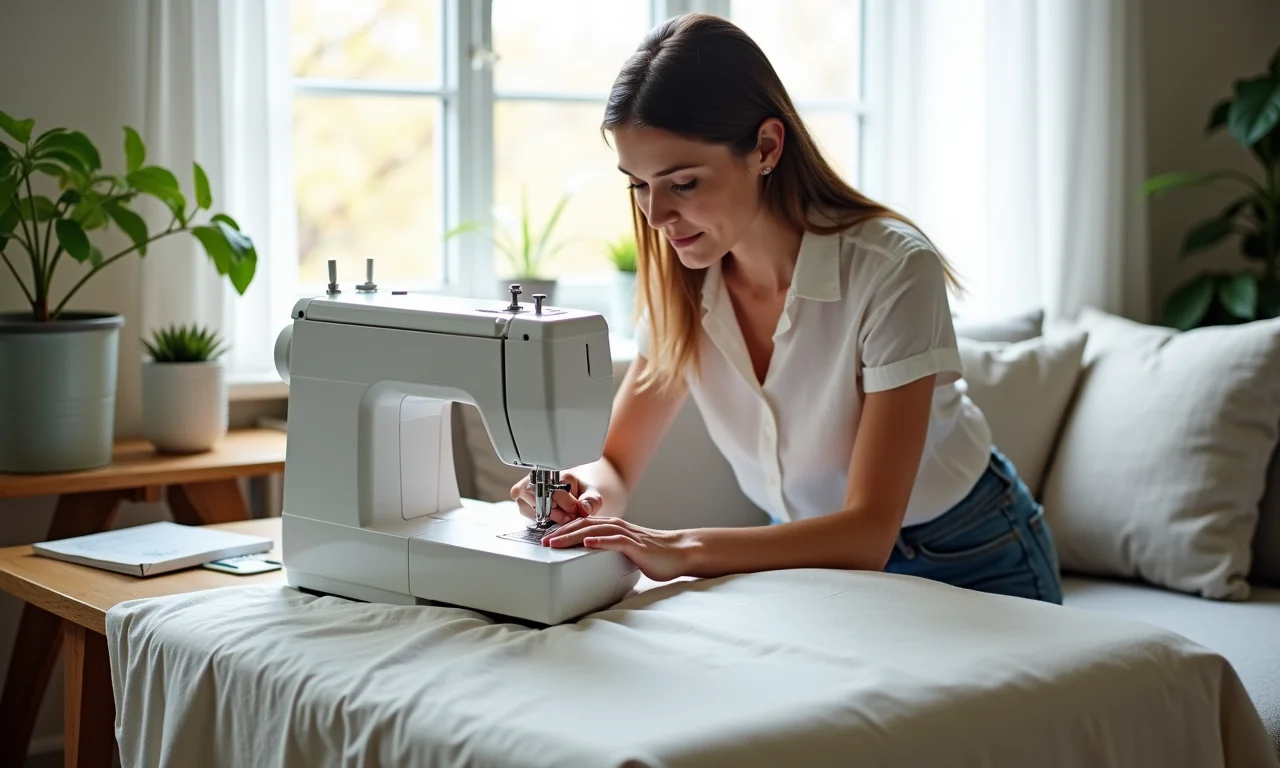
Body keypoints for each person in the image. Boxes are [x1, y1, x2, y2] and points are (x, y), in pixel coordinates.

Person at [510, 12, 1063, 605]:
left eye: (684, 183)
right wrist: (581, 490)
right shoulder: (682, 283)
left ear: (766, 147)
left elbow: (867, 533)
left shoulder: (893, 268)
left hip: (970, 553)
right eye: (638, 184)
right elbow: (616, 464)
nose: (655, 215)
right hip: (806, 553)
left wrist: (679, 549)